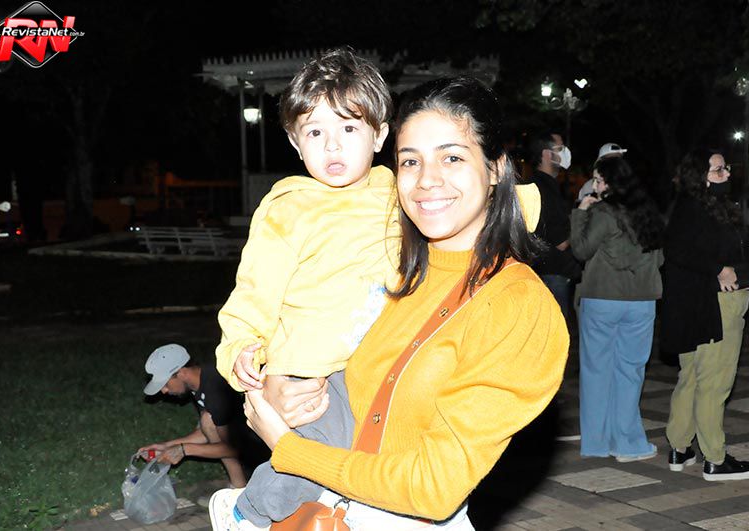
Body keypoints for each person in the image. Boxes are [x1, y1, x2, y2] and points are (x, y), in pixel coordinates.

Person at [212, 76, 569, 530]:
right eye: (410, 161)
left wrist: (289, 448)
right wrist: (276, 386)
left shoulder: (517, 307)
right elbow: (325, 340)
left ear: (496, 168)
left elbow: (433, 489)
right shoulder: (396, 269)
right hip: (326, 511)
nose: (428, 180)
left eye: (452, 157)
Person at [661, 149, 749, 481]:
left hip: (698, 303)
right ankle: (715, 458)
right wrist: (719, 269)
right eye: (719, 170)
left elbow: (739, 244)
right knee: (714, 381)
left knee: (692, 376)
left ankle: (679, 446)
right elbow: (678, 249)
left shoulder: (704, 205)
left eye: (725, 169)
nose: (727, 174)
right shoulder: (695, 207)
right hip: (716, 305)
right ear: (701, 175)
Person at [570, 157, 664, 461]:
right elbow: (660, 257)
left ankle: (597, 444)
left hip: (603, 298)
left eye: (598, 180)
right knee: (630, 372)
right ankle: (627, 443)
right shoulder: (648, 212)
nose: (595, 185)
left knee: (597, 371)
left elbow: (581, 249)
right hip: (642, 301)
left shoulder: (603, 213)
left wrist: (580, 212)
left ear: (609, 183)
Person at [139, 344, 250, 488]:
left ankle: (240, 488)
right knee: (207, 420)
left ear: (181, 373)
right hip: (243, 438)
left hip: (263, 449)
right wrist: (167, 446)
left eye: (165, 384)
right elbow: (209, 431)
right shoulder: (198, 384)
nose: (164, 391)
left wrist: (184, 450)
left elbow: (233, 448)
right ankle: (239, 486)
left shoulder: (216, 389)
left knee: (208, 420)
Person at [528, 131, 581, 321]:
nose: (565, 152)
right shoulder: (544, 189)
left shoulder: (542, 184)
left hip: (544, 272)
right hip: (552, 275)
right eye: (560, 148)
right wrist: (582, 219)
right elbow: (561, 242)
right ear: (546, 154)